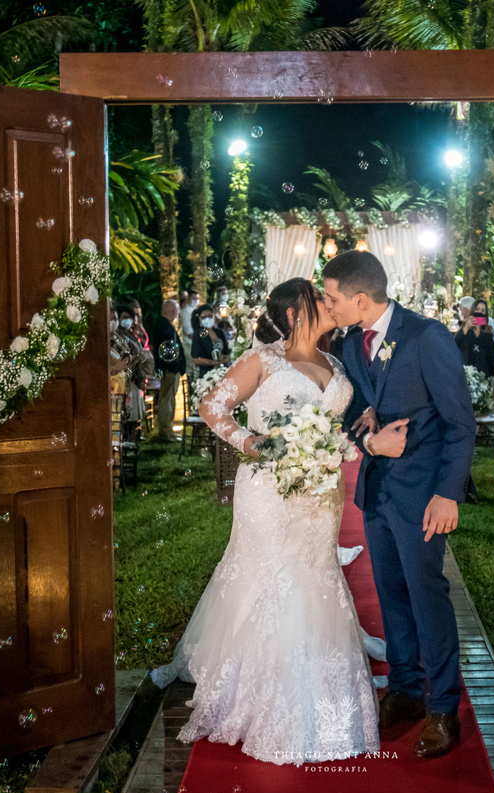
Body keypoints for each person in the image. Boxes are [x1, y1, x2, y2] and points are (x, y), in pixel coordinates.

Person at [150, 277, 382, 765]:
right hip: (268, 490)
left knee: (316, 576)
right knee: (272, 580)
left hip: (320, 494)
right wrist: (251, 444)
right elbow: (211, 406)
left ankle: (325, 687)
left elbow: (338, 421)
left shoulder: (336, 363)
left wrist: (355, 430)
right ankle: (260, 694)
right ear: (296, 312)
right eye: (318, 297)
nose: (327, 302)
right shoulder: (264, 360)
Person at [324, 251, 476, 761]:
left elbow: (460, 423)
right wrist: (364, 434)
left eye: (333, 297)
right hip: (377, 491)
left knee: (426, 595)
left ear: (361, 299)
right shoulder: (350, 342)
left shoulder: (425, 336)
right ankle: (406, 690)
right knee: (390, 592)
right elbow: (349, 413)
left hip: (424, 494)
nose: (329, 305)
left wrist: (448, 492)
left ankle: (442, 707)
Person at [149, 299, 186, 441]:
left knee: (168, 398)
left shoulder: (162, 325)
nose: (177, 314)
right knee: (167, 399)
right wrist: (175, 366)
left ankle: (168, 430)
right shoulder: (164, 327)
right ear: (172, 311)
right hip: (169, 369)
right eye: (176, 311)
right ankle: (165, 431)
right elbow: (168, 352)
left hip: (168, 369)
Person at [455, 298, 494, 378]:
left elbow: (491, 355)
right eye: (477, 309)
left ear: (485, 314)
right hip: (466, 374)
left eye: (482, 310)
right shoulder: (465, 328)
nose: (479, 312)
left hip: (483, 374)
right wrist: (466, 327)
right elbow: (455, 344)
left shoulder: (488, 332)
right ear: (473, 310)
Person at [190, 304, 230, 377]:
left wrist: (225, 358)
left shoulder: (219, 332)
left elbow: (226, 352)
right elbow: (195, 358)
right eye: (204, 317)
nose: (207, 319)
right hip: (206, 374)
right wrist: (213, 362)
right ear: (199, 318)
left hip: (221, 371)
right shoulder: (198, 334)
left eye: (210, 316)